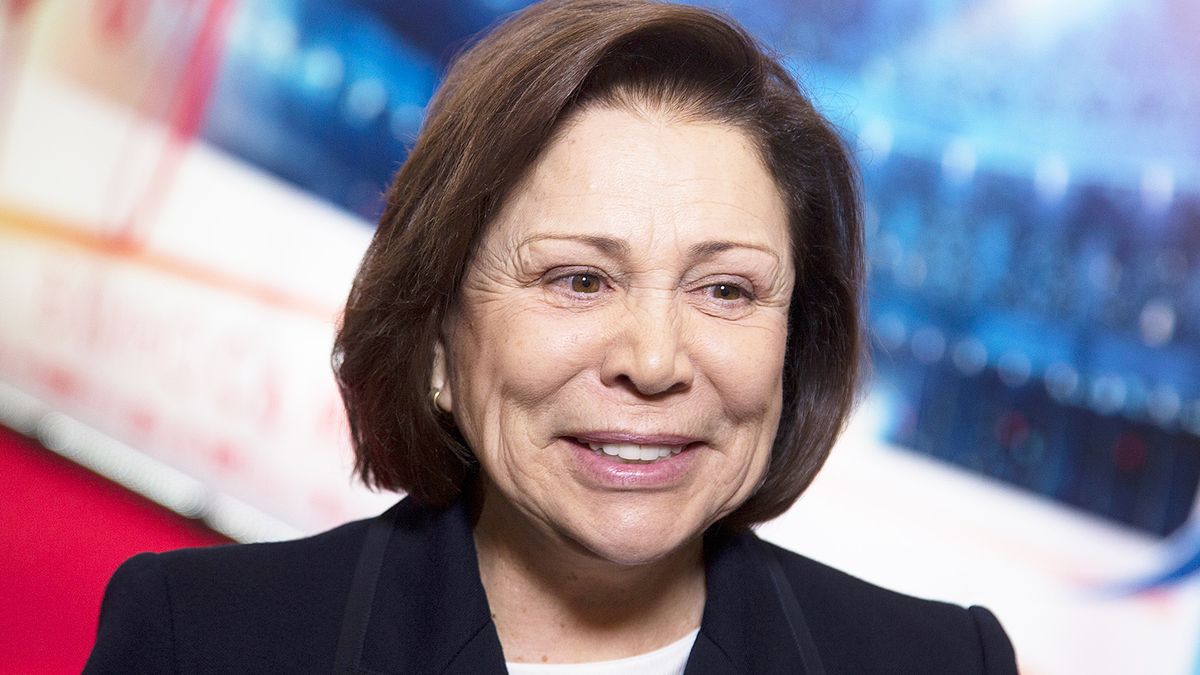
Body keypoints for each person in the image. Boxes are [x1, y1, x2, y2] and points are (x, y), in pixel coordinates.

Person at [85, 1, 1019, 673]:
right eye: (578, 280)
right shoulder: (198, 638)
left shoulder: (943, 660)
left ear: (793, 343)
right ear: (438, 338)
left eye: (726, 288)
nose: (653, 361)